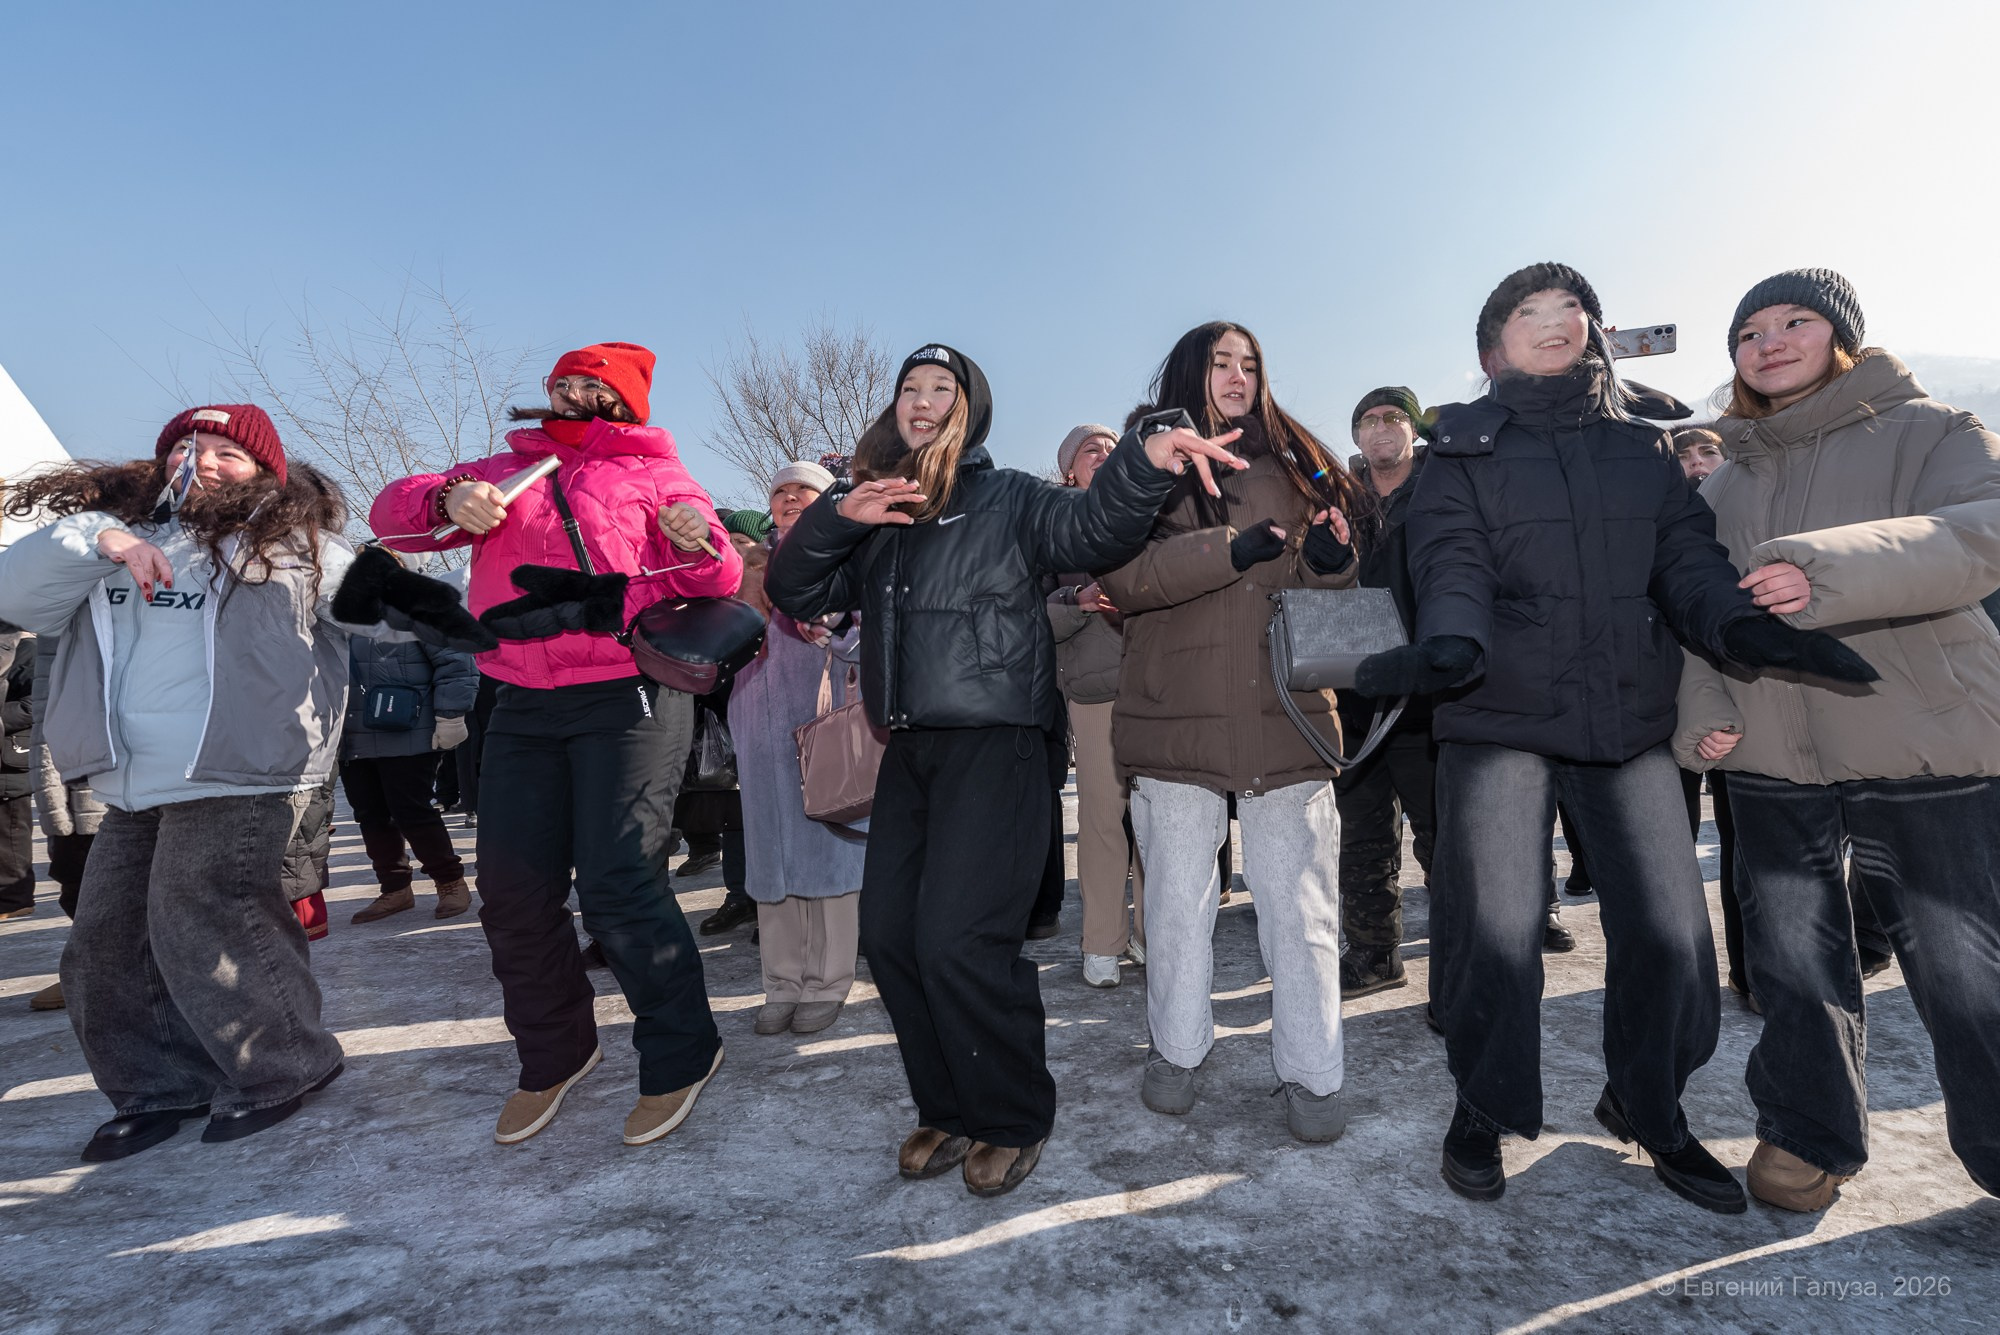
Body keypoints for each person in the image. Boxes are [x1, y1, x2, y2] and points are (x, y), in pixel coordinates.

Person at [1361, 262, 1874, 1212]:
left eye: (1573, 310)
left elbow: (1686, 560)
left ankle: (1649, 1102)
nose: (1557, 322)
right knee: (1497, 928)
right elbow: (1451, 561)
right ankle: (1483, 1103)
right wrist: (1451, 641)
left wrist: (1737, 624)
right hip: (1500, 714)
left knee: (1677, 934)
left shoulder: (1643, 450)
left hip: (1627, 715)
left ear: (1595, 334)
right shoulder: (1457, 454)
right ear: (1492, 347)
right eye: (1530, 311)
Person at [767, 342, 1246, 1197]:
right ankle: (946, 1103)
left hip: (1001, 743)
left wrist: (1142, 461)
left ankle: (1014, 1111)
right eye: (909, 389)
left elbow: (1094, 528)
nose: (921, 402)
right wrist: (840, 516)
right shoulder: (875, 508)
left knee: (959, 937)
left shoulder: (1012, 496)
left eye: (940, 389)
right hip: (909, 747)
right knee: (889, 937)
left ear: (969, 407)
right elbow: (798, 594)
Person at [0, 404, 484, 1160]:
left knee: (203, 918)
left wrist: (505, 592)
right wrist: (103, 536)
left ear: (265, 468)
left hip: (245, 767)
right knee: (104, 943)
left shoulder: (299, 548)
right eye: (189, 447)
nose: (206, 461)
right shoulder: (112, 541)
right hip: (132, 778)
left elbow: (402, 609)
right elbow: (14, 594)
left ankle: (286, 1063)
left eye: (229, 450)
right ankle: (158, 1084)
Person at [1675, 268, 2000, 1212]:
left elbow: (1980, 533)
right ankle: (1807, 1133)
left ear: (1842, 334)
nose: (1768, 342)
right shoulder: (1721, 480)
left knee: (1962, 961)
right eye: (1748, 332)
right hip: (1774, 751)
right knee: (1791, 958)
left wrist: (1827, 568)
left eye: (1794, 321)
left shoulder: (1931, 428)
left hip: (1926, 742)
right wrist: (1703, 708)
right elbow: (1695, 610)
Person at [371, 342, 742, 1148]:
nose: (571, 394)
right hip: (524, 699)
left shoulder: (654, 471)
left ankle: (684, 1048)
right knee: (511, 890)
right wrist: (446, 497)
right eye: (562, 383)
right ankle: (555, 1050)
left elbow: (718, 573)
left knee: (618, 883)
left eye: (591, 385)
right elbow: (390, 516)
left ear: (625, 402)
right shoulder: (503, 467)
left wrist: (689, 539)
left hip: (626, 693)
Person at [1101, 322, 1364, 1143]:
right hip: (1174, 712)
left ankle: (1314, 1073)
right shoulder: (1145, 462)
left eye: (1250, 364)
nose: (1239, 376)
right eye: (1221, 363)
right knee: (1178, 903)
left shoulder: (1297, 460)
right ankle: (1176, 1052)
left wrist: (1326, 560)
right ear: (1190, 370)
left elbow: (1327, 590)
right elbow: (1121, 575)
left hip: (1282, 710)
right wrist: (1227, 549)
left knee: (1304, 906)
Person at [732, 460, 867, 1035]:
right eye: (780, 492)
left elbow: (870, 638)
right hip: (756, 727)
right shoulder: (744, 564)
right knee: (770, 853)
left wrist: (836, 628)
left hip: (823, 723)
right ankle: (780, 981)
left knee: (828, 847)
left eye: (803, 490)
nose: (790, 498)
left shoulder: (847, 555)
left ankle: (829, 980)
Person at [1333, 388, 1440, 996]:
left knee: (1442, 834)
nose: (1380, 429)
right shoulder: (1338, 502)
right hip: (1355, 696)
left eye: (1393, 418)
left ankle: (1457, 959)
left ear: (1414, 429)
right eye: (1368, 420)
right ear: (1356, 437)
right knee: (1364, 834)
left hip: (1428, 692)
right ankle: (1374, 953)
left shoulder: (1443, 490)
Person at [1048, 424, 1146, 988]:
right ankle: (1103, 942)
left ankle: (1158, 938)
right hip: (1094, 693)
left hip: (1158, 689)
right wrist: (1075, 601)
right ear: (1070, 471)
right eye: (1091, 450)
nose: (1104, 456)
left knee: (1161, 826)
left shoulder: (1147, 513)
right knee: (1104, 823)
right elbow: (1028, 611)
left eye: (1112, 449)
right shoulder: (1053, 528)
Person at [339, 588, 479, 924]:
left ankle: (449, 882)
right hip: (353, 734)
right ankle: (394, 888)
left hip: (408, 732)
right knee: (370, 815)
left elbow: (457, 665)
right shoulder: (337, 619)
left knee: (412, 811)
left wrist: (451, 715)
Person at [24, 633, 107, 1009]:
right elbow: (46, 708)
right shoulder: (55, 610)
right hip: (66, 771)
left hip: (115, 776)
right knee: (73, 880)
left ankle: (105, 973)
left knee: (121, 887)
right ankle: (89, 972)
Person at [0, 625, 33, 920]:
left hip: (13, 752)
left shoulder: (27, 651)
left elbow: (35, 703)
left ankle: (14, 900)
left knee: (12, 829)